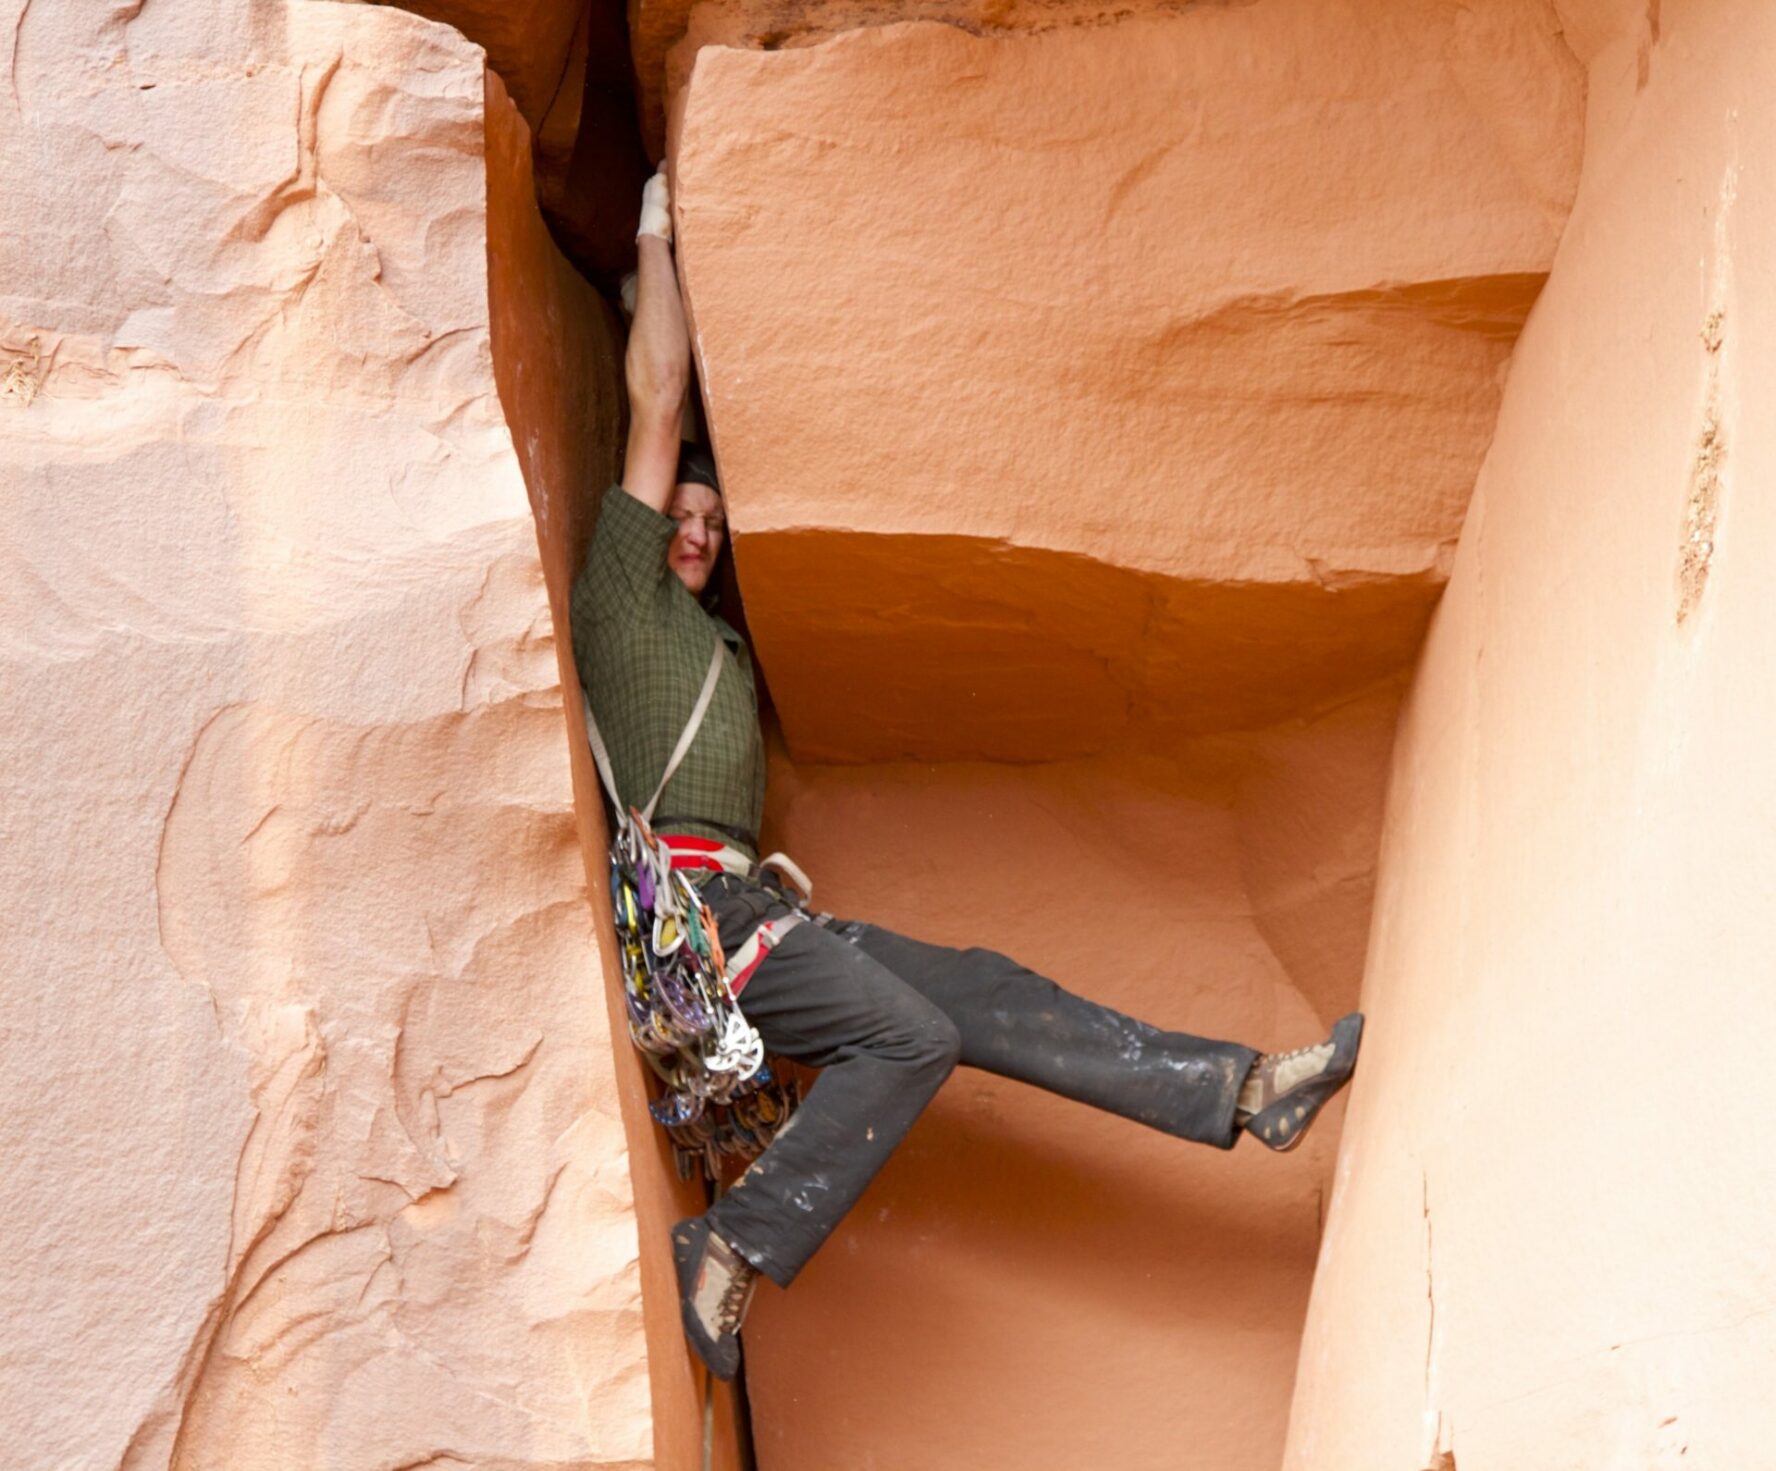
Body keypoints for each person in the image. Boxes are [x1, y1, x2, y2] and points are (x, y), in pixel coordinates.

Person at [571, 167, 1364, 1382]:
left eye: (713, 526)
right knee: (910, 1038)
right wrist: (656, 226)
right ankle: (729, 1249)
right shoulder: (626, 601)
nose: (695, 533)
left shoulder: (715, 640)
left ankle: (1246, 1089)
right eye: (680, 511)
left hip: (757, 916)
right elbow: (658, 397)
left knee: (978, 992)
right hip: (696, 925)